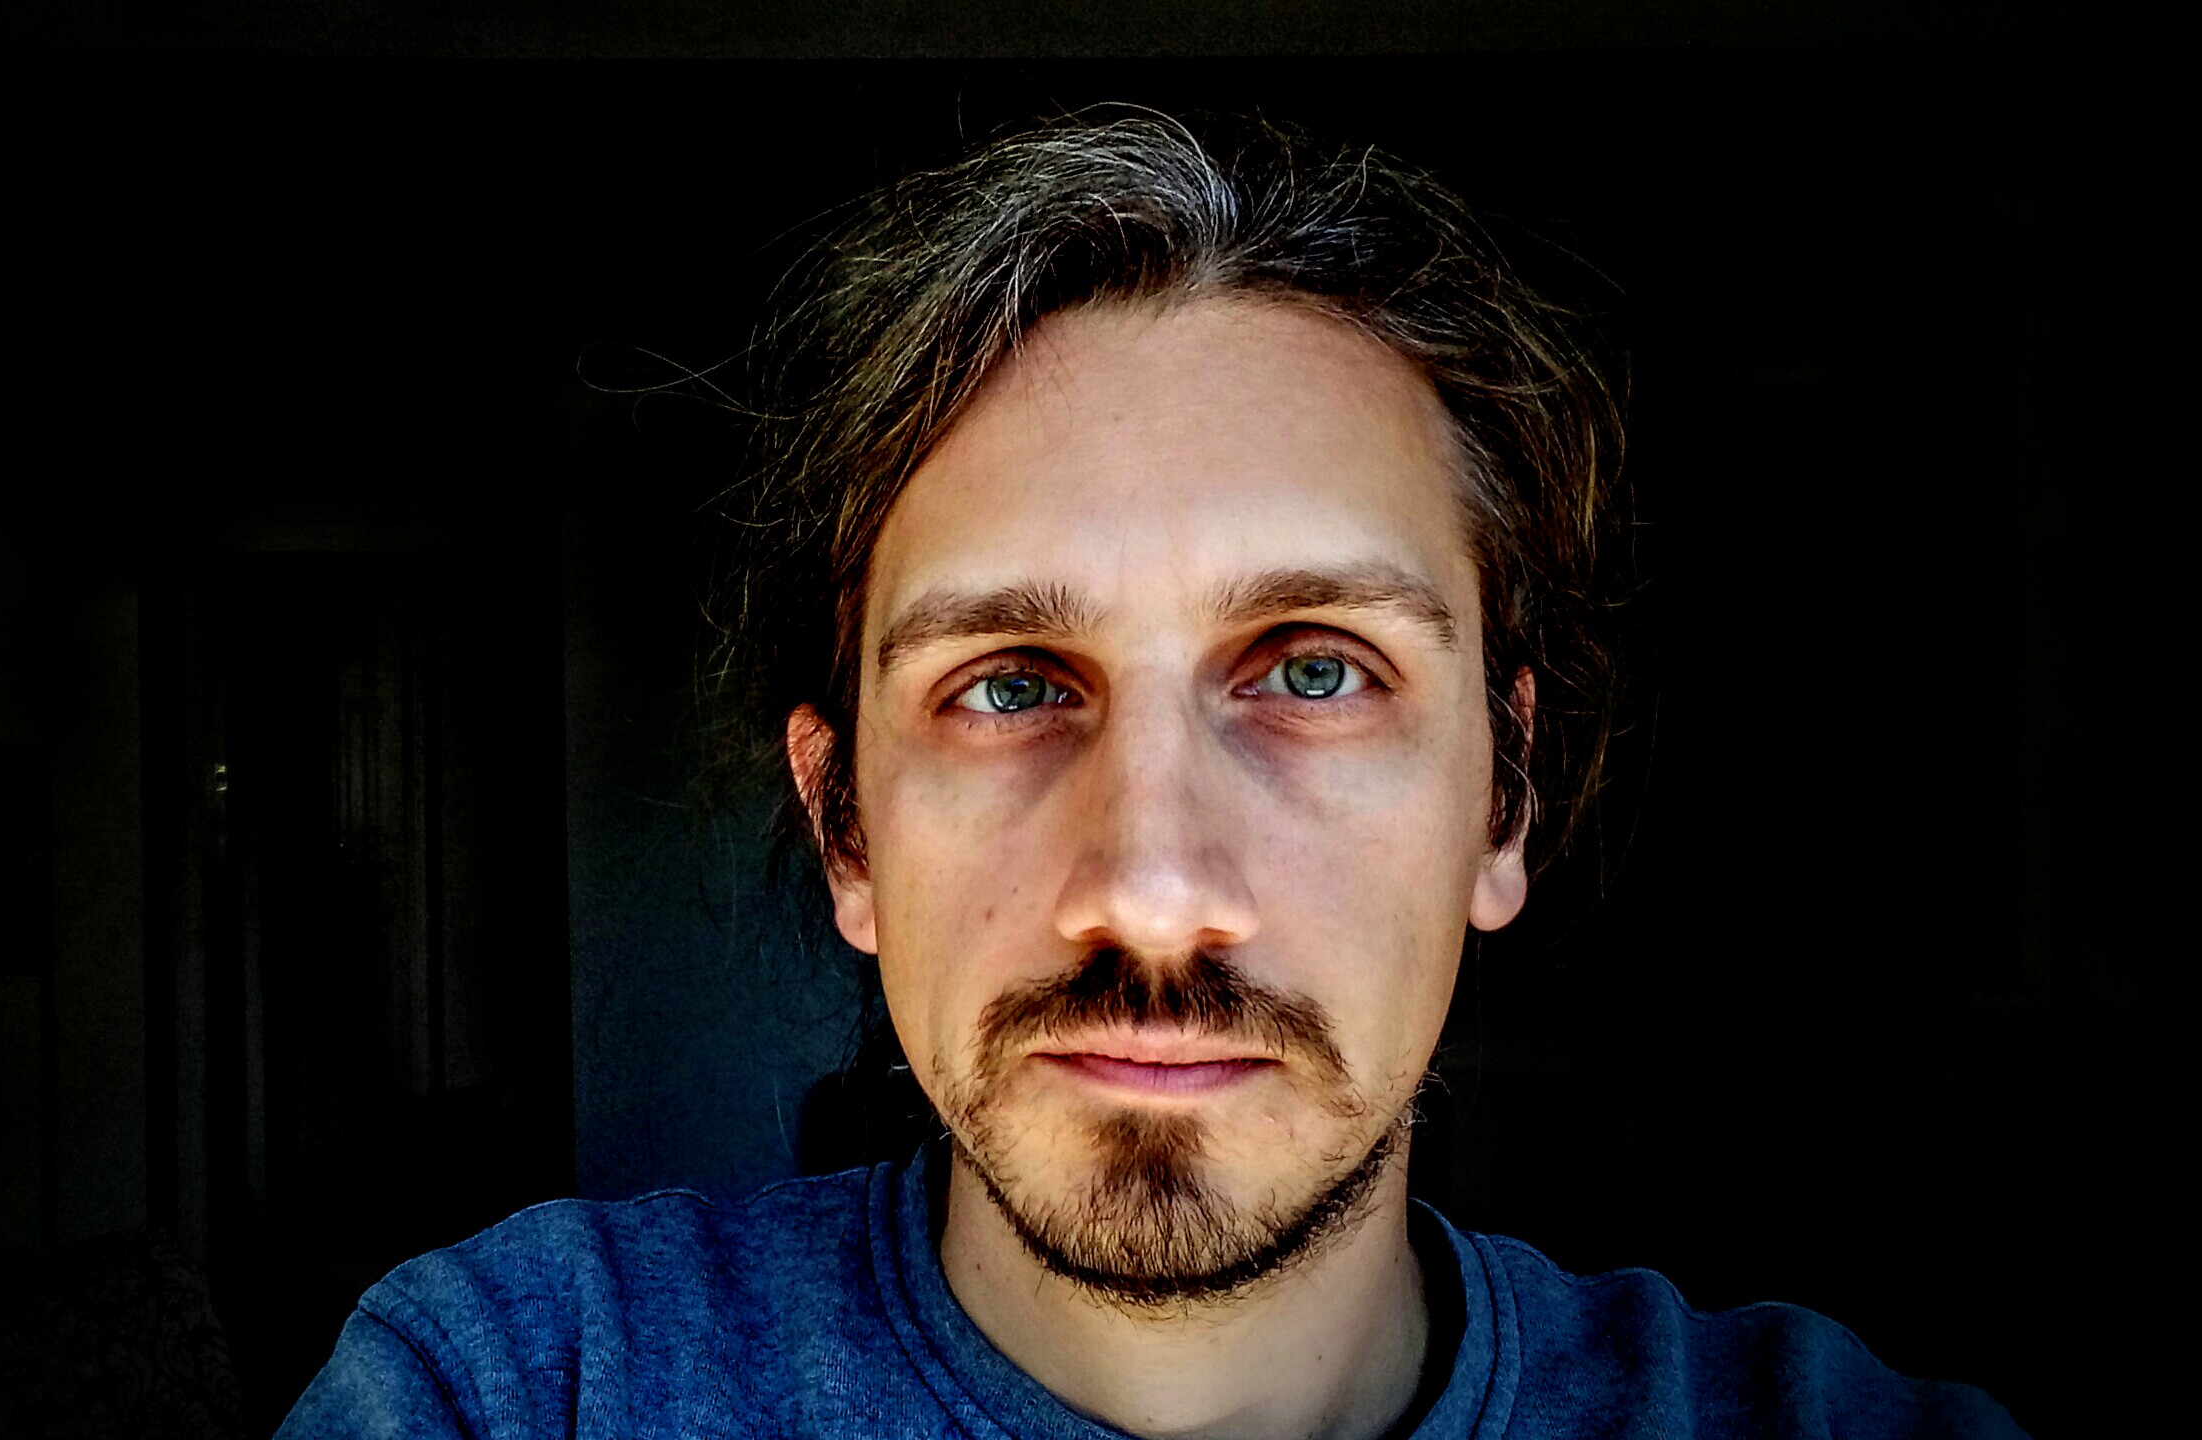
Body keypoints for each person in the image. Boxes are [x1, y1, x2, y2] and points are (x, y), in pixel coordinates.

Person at [277, 112, 2025, 1439]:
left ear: (1506, 797)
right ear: (844, 830)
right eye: (1010, 686)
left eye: (1317, 671)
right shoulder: (524, 1389)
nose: (1155, 889)